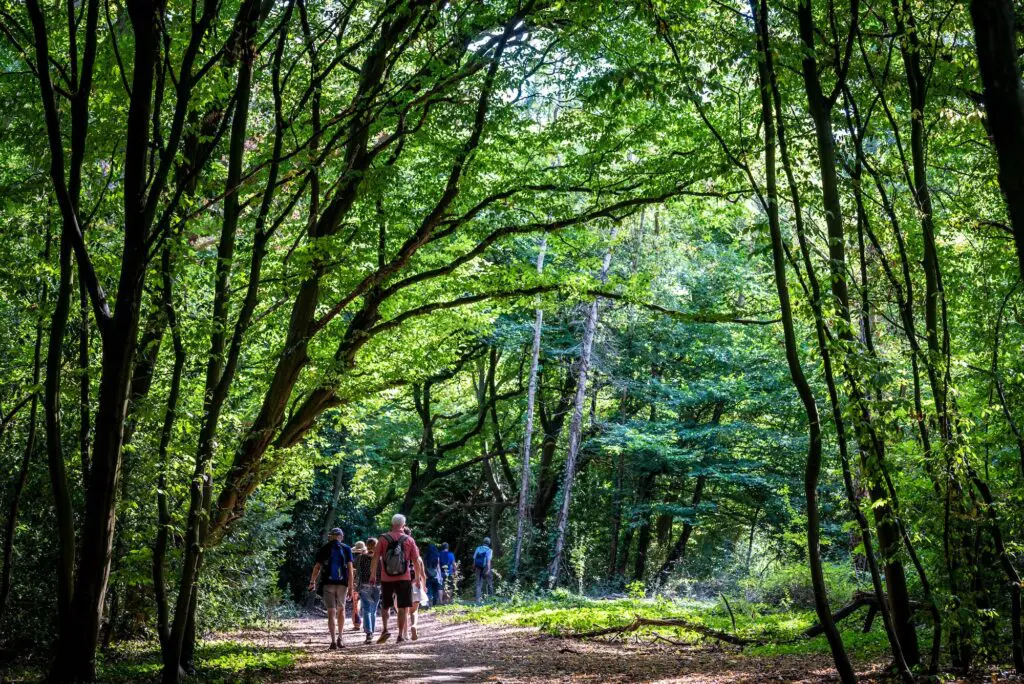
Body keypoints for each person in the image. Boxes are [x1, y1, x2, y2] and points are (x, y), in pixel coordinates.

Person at [369, 514, 420, 643]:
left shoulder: (383, 539)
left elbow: (375, 558)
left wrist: (373, 575)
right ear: (404, 525)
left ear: (392, 524)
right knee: (402, 607)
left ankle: (385, 629)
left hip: (387, 578)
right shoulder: (409, 540)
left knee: (386, 605)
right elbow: (416, 560)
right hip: (404, 578)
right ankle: (400, 635)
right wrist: (418, 578)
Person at [308, 528, 355, 649]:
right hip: (342, 584)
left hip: (327, 583)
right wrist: (351, 586)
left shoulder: (324, 548)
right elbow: (350, 569)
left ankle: (333, 641)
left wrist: (312, 582)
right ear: (341, 536)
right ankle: (341, 638)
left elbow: (317, 567)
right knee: (341, 610)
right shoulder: (346, 548)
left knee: (331, 612)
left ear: (330, 536)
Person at [354, 539, 380, 644]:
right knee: (373, 610)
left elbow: (354, 569)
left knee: (367, 610)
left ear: (367, 546)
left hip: (364, 585)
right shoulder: (381, 558)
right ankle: (371, 631)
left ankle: (369, 633)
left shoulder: (360, 557)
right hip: (378, 585)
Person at [422, 543, 443, 608]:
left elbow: (423, 566)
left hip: (427, 575)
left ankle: (429, 603)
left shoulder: (425, 556)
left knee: (429, 589)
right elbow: (438, 567)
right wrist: (440, 576)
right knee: (435, 590)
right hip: (435, 575)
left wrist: (424, 575)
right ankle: (434, 603)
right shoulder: (436, 556)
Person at [472, 536, 493, 603]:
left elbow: (474, 559)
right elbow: (488, 561)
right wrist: (489, 569)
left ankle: (478, 600)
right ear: (489, 543)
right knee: (489, 582)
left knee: (478, 584)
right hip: (486, 567)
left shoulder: (478, 548)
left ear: (483, 542)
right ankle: (491, 599)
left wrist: (474, 567)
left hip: (478, 567)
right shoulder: (489, 550)